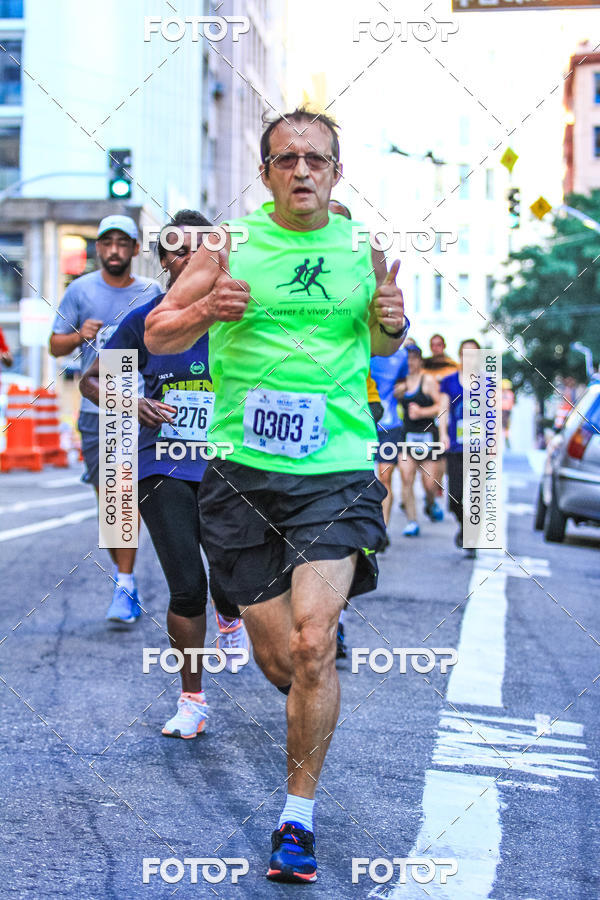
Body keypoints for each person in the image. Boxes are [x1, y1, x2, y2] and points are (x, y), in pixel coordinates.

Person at [144, 107, 408, 883]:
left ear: (335, 171)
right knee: (278, 660)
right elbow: (158, 332)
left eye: (316, 159)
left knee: (310, 644)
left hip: (335, 466)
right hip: (241, 474)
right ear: (264, 173)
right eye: (286, 159)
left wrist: (393, 324)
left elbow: (386, 338)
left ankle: (296, 821)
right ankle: (310, 677)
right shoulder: (226, 248)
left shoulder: (364, 249)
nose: (302, 171)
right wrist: (202, 310)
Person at [80, 210, 247, 738]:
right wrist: (130, 401)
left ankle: (231, 614)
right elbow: (91, 381)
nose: (185, 258)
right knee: (185, 584)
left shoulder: (241, 317)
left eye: (197, 248)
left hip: (228, 464)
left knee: (229, 574)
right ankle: (192, 700)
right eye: (174, 250)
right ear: (164, 260)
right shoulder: (146, 320)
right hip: (163, 463)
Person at [50, 215, 163, 622]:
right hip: (98, 409)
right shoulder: (81, 290)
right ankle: (124, 578)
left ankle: (125, 583)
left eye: (123, 243)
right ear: (98, 248)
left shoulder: (152, 292)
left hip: (141, 410)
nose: (114, 250)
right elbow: (54, 346)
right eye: (106, 243)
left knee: (124, 498)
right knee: (110, 502)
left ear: (135, 249)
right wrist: (80, 333)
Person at [392, 345, 443, 536]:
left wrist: (422, 412)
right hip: (408, 436)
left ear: (420, 360)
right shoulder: (401, 383)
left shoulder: (428, 381)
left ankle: (430, 503)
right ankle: (412, 521)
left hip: (429, 437)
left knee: (430, 484)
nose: (410, 363)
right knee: (406, 478)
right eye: (407, 359)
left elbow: (441, 405)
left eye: (413, 359)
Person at [438, 338, 481, 558]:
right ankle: (465, 528)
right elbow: (443, 410)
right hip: (455, 445)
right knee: (454, 497)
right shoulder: (449, 381)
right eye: (465, 354)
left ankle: (471, 539)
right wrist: (443, 434)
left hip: (477, 447)